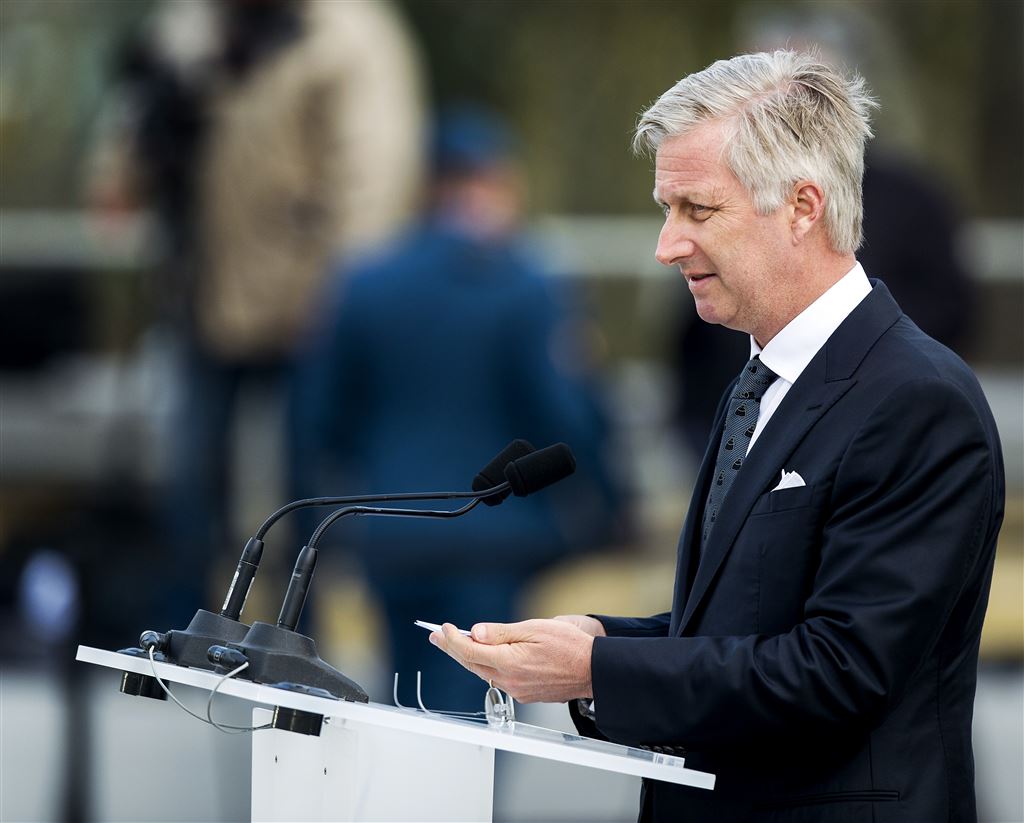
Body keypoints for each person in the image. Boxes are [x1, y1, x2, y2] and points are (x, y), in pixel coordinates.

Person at [431, 51, 1005, 822]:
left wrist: (599, 667)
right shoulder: (756, 380)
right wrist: (601, 639)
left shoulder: (917, 400)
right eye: (666, 209)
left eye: (697, 210)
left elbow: (840, 671)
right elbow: (745, 622)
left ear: (803, 207)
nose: (667, 245)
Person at [293, 107, 626, 712]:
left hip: (391, 526)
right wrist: (609, 505)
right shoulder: (526, 283)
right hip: (492, 537)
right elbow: (565, 416)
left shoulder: (364, 281)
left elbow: (319, 419)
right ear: (497, 182)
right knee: (480, 709)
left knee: (405, 699)